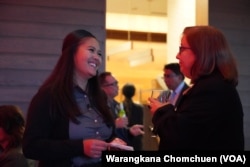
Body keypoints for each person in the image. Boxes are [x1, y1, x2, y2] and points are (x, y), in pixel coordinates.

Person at [22, 29, 118, 167]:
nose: (97, 57)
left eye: (99, 53)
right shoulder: (49, 95)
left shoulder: (100, 96)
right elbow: (31, 147)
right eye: (91, 50)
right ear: (71, 53)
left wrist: (114, 143)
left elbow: (108, 136)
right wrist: (80, 147)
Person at [148, 25, 244, 150]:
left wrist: (160, 111)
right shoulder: (212, 85)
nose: (177, 55)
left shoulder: (211, 89)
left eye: (182, 49)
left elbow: (179, 137)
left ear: (201, 52)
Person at [98, 72, 144, 148]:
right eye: (114, 84)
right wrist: (114, 124)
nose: (117, 87)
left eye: (117, 83)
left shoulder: (116, 104)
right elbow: (94, 131)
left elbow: (118, 131)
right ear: (102, 87)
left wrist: (129, 132)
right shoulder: (96, 106)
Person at [122, 83, 144, 151]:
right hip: (136, 141)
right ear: (134, 93)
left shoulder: (118, 107)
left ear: (123, 92)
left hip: (123, 140)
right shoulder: (140, 108)